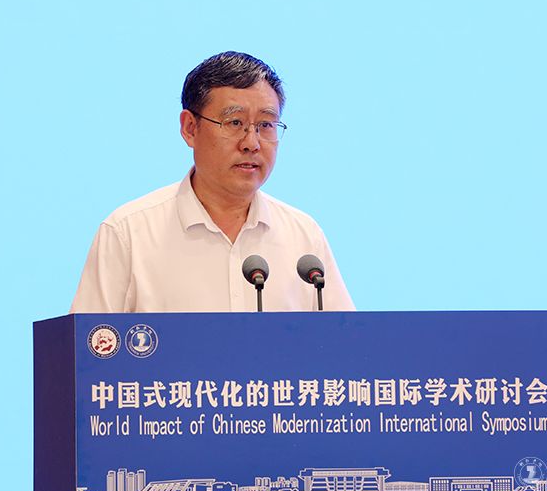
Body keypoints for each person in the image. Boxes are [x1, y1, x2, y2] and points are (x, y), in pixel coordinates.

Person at [71, 51, 353, 313]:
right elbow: (89, 346)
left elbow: (348, 342)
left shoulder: (304, 238)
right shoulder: (128, 234)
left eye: (265, 125)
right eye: (234, 123)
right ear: (190, 128)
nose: (251, 143)